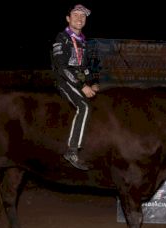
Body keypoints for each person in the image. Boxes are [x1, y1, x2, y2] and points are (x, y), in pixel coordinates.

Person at [51, 4, 100, 171]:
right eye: (76, 15)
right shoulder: (62, 38)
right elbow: (62, 67)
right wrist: (82, 86)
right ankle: (72, 151)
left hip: (76, 80)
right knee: (84, 107)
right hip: (63, 81)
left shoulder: (83, 42)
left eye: (83, 16)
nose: (80, 18)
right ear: (68, 18)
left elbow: (83, 68)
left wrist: (92, 82)